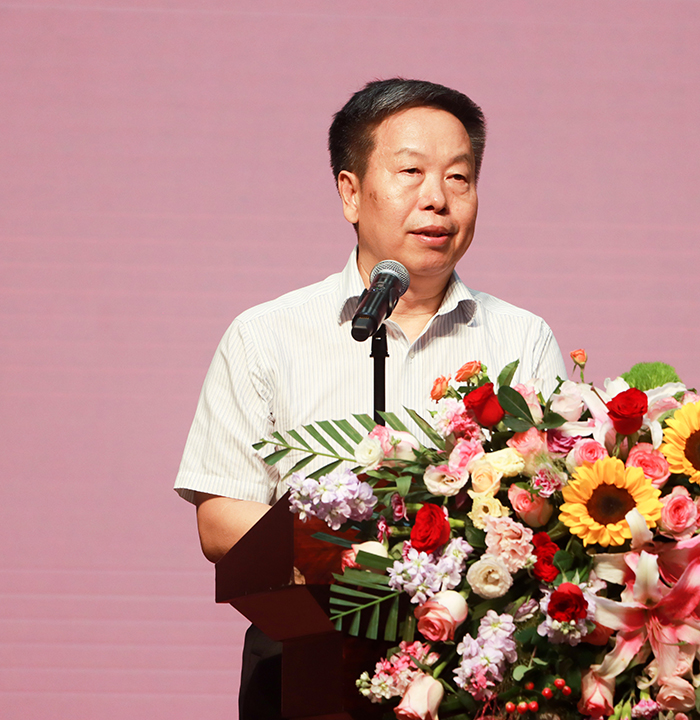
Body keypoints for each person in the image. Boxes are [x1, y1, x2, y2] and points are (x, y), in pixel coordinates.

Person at [175, 78, 567, 719]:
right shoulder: (267, 336)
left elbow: (553, 499)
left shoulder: (521, 338)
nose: (437, 198)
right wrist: (355, 562)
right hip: (308, 661)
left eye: (459, 177)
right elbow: (220, 521)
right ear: (350, 193)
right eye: (411, 172)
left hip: (475, 671)